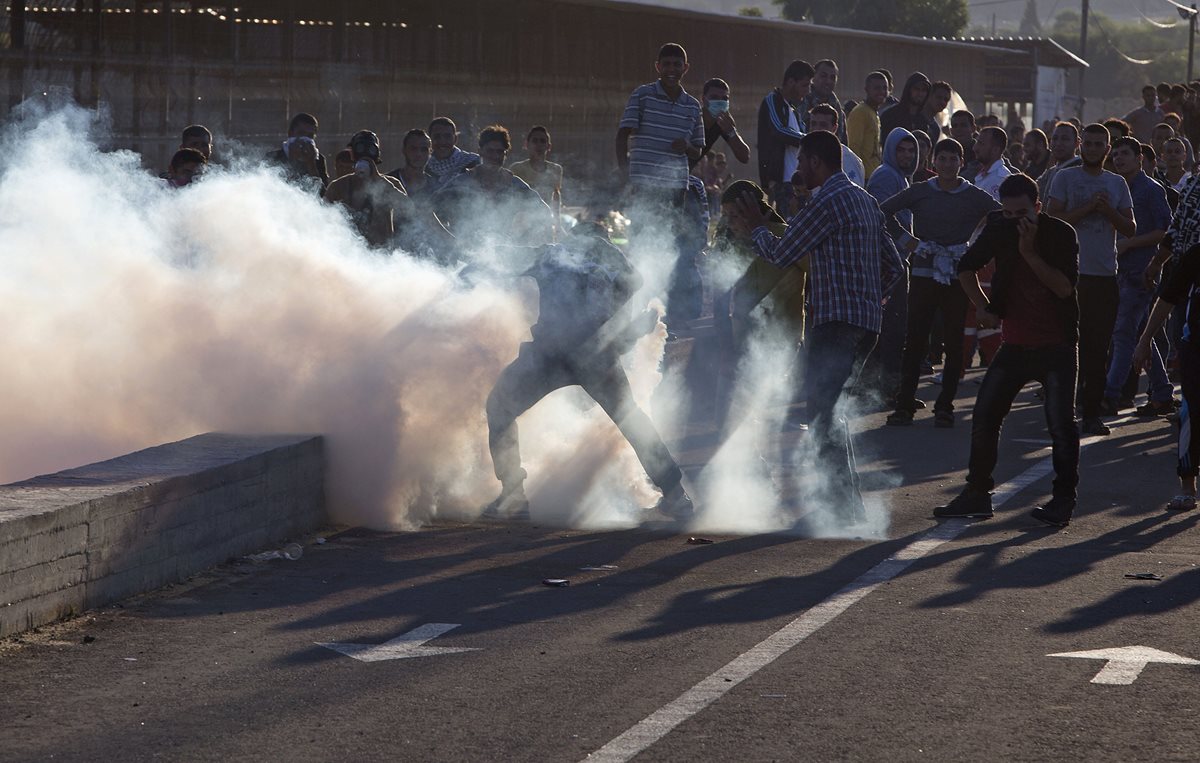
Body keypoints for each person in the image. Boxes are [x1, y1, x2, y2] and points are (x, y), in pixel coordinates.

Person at [731, 131, 905, 523]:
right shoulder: (865, 200)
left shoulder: (826, 201)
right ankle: (842, 504)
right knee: (831, 411)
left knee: (824, 414)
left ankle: (845, 507)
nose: (798, 170)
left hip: (835, 324)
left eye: (801, 162)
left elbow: (781, 252)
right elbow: (896, 267)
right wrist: (871, 301)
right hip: (865, 325)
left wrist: (758, 227)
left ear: (814, 161)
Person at [482, 223, 694, 521]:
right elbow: (635, 283)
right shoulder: (617, 268)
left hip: (553, 354)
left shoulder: (553, 255)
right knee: (632, 420)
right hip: (596, 355)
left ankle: (514, 497)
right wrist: (630, 329)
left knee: (499, 407)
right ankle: (676, 496)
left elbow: (504, 259)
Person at [935, 174, 1081, 527]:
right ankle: (977, 493)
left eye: (1023, 213)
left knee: (1060, 424)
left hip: (1057, 344)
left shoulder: (1061, 234)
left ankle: (1063, 500)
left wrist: (1029, 252)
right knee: (985, 416)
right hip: (1015, 344)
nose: (1017, 221)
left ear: (1038, 207)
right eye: (1009, 213)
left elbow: (1063, 288)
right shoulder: (1000, 228)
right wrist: (982, 304)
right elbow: (965, 266)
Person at [882, 138, 1000, 428]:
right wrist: (909, 242)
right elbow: (882, 211)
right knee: (916, 339)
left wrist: (975, 251)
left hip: (958, 275)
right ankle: (904, 404)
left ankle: (945, 405)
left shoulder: (973, 195)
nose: (948, 164)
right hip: (923, 273)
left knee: (955, 339)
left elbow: (1000, 218)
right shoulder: (921, 191)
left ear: (962, 162)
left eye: (953, 159)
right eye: (942, 159)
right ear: (933, 162)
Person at [1046, 123, 1136, 436]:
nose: (1094, 149)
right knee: (1064, 345)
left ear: (1107, 149)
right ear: (1081, 145)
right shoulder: (1065, 178)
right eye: (1090, 143)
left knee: (1097, 349)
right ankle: (1061, 411)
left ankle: (1092, 413)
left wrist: (1107, 210)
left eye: (1100, 145)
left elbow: (1129, 228)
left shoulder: (1116, 183)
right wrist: (1086, 208)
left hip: (1104, 275)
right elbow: (1052, 220)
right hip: (1071, 275)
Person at [1102, 136, 1173, 416]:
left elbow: (1165, 231)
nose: (1119, 159)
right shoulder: (1116, 187)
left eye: (1125, 154)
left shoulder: (1150, 189)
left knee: (1123, 333)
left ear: (1138, 158)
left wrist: (1129, 243)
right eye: (1116, 154)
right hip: (1118, 270)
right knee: (1144, 334)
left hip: (1142, 270)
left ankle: (1110, 393)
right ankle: (1163, 392)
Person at [1133, 241, 1200, 511]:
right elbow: (1168, 298)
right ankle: (1187, 486)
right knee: (1191, 411)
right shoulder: (1196, 255)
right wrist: (1145, 339)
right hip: (1195, 345)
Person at [325, 130, 450, 254]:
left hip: (382, 258)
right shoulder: (338, 187)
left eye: (370, 151)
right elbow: (322, 219)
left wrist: (379, 180)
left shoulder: (390, 184)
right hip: (346, 256)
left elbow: (407, 209)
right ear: (353, 154)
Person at [436, 125, 553, 248]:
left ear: (505, 154)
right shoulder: (462, 183)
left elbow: (544, 212)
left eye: (500, 152)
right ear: (480, 151)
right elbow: (430, 210)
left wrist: (523, 241)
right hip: (464, 253)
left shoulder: (514, 185)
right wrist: (451, 241)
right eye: (490, 151)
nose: (495, 156)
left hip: (501, 254)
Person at [757, 60, 812, 216]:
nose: (807, 91)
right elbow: (778, 130)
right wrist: (811, 140)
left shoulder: (792, 109)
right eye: (804, 85)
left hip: (800, 183)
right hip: (784, 183)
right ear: (790, 82)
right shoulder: (772, 100)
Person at [509, 125, 564, 226]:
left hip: (544, 221)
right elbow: (510, 198)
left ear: (549, 146)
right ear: (526, 145)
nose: (539, 145)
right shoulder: (517, 169)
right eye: (535, 141)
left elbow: (556, 196)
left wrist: (558, 224)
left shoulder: (556, 169)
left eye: (543, 141)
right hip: (522, 224)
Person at [266, 112, 330, 193]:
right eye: (301, 133)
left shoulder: (318, 159)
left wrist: (311, 164)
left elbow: (323, 195)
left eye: (310, 136)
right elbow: (269, 190)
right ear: (290, 133)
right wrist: (292, 160)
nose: (305, 139)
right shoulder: (273, 157)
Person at [695, 77, 751, 166]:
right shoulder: (694, 118)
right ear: (703, 99)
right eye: (714, 97)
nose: (720, 102)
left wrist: (732, 132)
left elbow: (744, 157)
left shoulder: (722, 123)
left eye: (724, 98)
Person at [808, 104, 865, 186]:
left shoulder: (848, 159)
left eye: (823, 125)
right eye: (813, 124)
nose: (817, 129)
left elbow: (853, 193)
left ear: (834, 128)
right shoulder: (804, 156)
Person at [847, 71, 888, 179]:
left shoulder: (874, 112)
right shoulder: (860, 112)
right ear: (867, 89)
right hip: (863, 177)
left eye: (885, 88)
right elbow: (854, 147)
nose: (882, 91)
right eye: (877, 88)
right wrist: (857, 176)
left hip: (874, 176)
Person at [426, 117, 482, 192]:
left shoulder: (473, 163)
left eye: (447, 136)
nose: (442, 142)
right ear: (430, 140)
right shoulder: (423, 166)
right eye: (437, 137)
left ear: (455, 139)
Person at [799, 59, 847, 143]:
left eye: (832, 77)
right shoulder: (800, 102)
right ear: (813, 77)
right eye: (823, 76)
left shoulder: (839, 112)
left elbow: (843, 144)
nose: (828, 81)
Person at [879, 72, 932, 146]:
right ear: (909, 90)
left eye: (924, 90)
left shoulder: (924, 120)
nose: (920, 94)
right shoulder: (891, 115)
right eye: (916, 89)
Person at [1038, 121, 1082, 201]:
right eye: (1055, 138)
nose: (1058, 143)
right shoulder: (1050, 172)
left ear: (1077, 143)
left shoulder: (1080, 171)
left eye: (1065, 139)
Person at [389, 128, 435, 198]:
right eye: (413, 149)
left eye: (424, 150)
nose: (419, 154)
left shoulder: (435, 187)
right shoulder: (388, 182)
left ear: (430, 152)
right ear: (404, 150)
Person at [972, 126, 1012, 201]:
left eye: (981, 143)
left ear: (995, 150)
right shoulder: (981, 175)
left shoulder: (1000, 179)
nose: (975, 148)